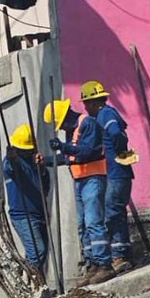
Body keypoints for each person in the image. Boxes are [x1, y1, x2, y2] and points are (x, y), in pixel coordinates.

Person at [44, 97, 114, 286]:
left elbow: (87, 151)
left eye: (61, 124)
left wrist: (64, 147)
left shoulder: (88, 124)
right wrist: (47, 160)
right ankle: (92, 264)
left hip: (93, 177)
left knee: (93, 222)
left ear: (66, 117)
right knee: (83, 225)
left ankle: (104, 264)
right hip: (80, 180)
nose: (61, 128)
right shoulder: (72, 131)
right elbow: (69, 158)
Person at [80, 80, 137, 274]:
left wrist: (119, 153)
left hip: (116, 172)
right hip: (116, 172)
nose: (86, 108)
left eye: (86, 103)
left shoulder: (105, 114)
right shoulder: (107, 114)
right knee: (115, 212)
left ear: (94, 102)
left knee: (112, 213)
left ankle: (120, 255)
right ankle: (123, 253)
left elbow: (117, 134)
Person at [2, 123, 50, 279]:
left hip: (39, 212)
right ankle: (28, 280)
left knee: (41, 253)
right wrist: (13, 160)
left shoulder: (33, 162)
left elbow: (44, 188)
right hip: (22, 215)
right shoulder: (11, 163)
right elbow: (10, 168)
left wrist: (42, 170)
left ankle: (38, 282)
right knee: (37, 251)